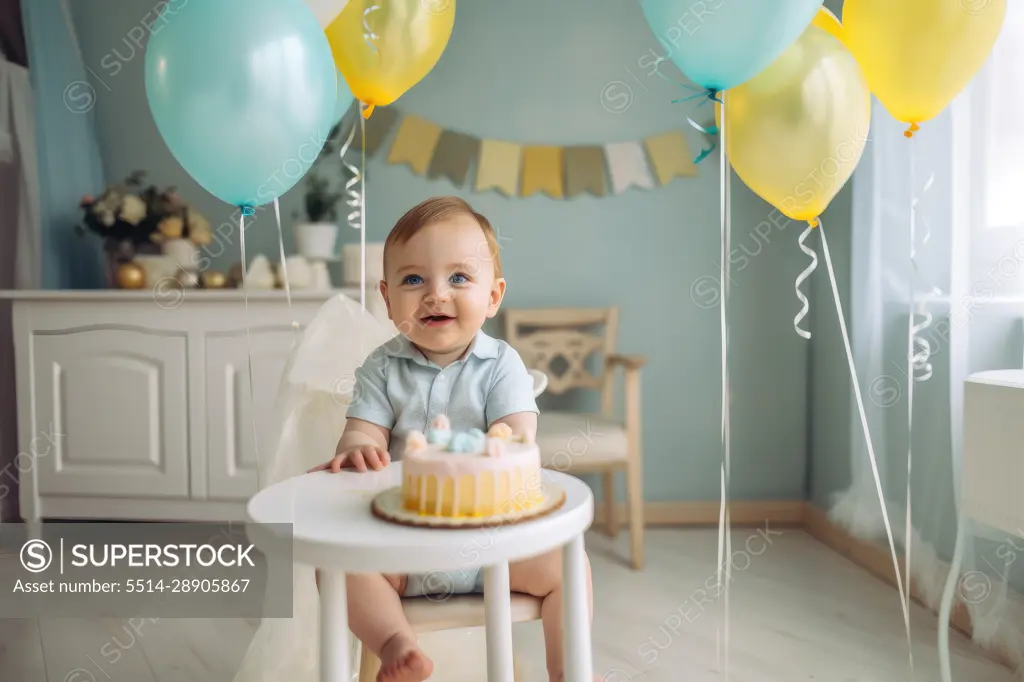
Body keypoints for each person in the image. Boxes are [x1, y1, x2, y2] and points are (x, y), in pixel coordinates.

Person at [308, 196, 595, 682]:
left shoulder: (502, 364)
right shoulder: (381, 368)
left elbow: (519, 432)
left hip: (492, 547)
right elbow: (362, 430)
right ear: (386, 298)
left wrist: (507, 438)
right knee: (335, 569)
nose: (436, 294)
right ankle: (397, 646)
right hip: (400, 546)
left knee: (571, 567)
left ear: (493, 296)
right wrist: (356, 446)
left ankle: (568, 671)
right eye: (413, 279)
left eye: (459, 278)